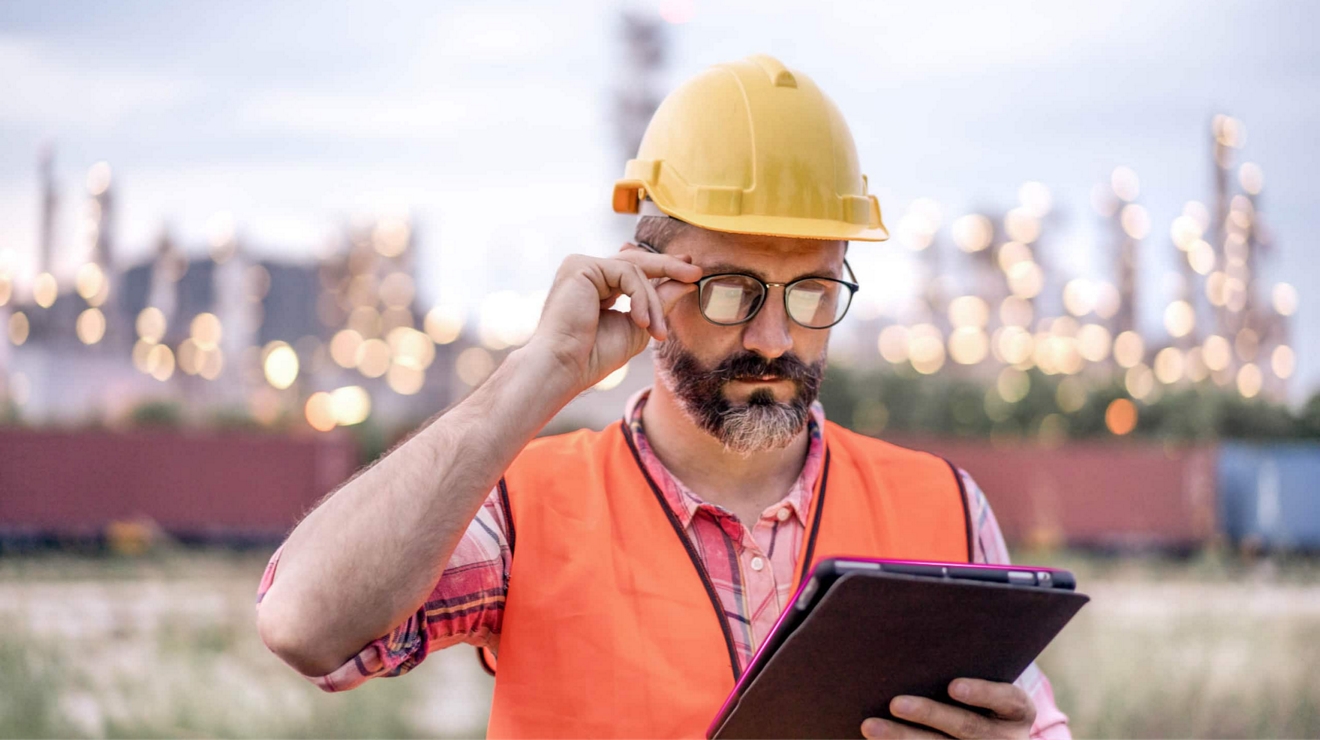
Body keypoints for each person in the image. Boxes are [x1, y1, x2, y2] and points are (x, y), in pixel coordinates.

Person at [256, 54, 1071, 739]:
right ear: (644, 278)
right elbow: (305, 627)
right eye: (730, 290)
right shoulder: (525, 509)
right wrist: (542, 369)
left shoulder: (945, 511)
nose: (774, 338)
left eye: (814, 292)